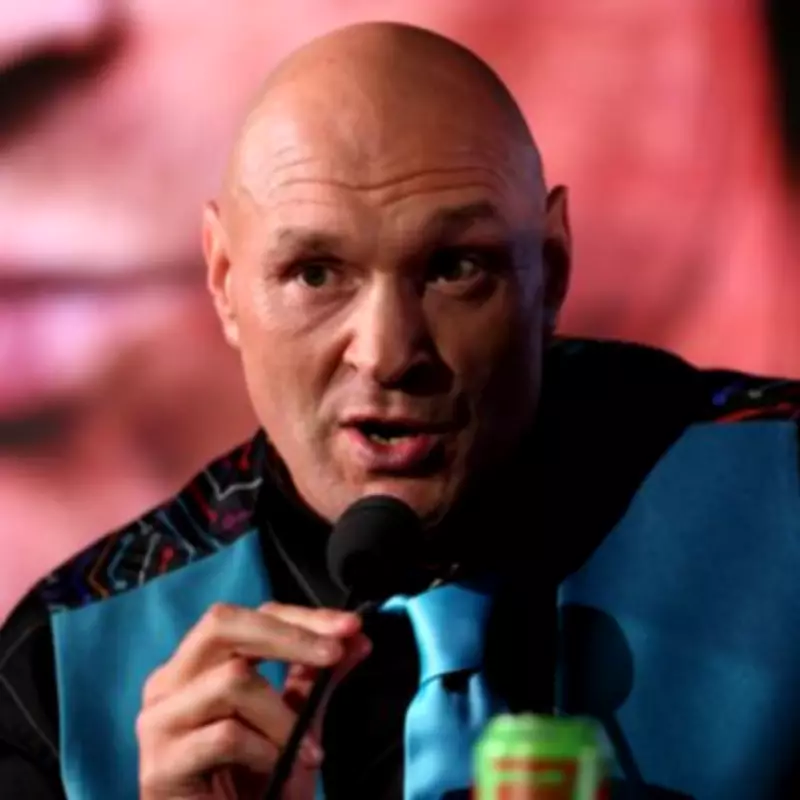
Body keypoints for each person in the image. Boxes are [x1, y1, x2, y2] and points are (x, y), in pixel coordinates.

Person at [0, 21, 798, 800]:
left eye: (455, 268)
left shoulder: (781, 495)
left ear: (550, 270)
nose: (385, 353)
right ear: (227, 282)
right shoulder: (61, 673)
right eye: (315, 274)